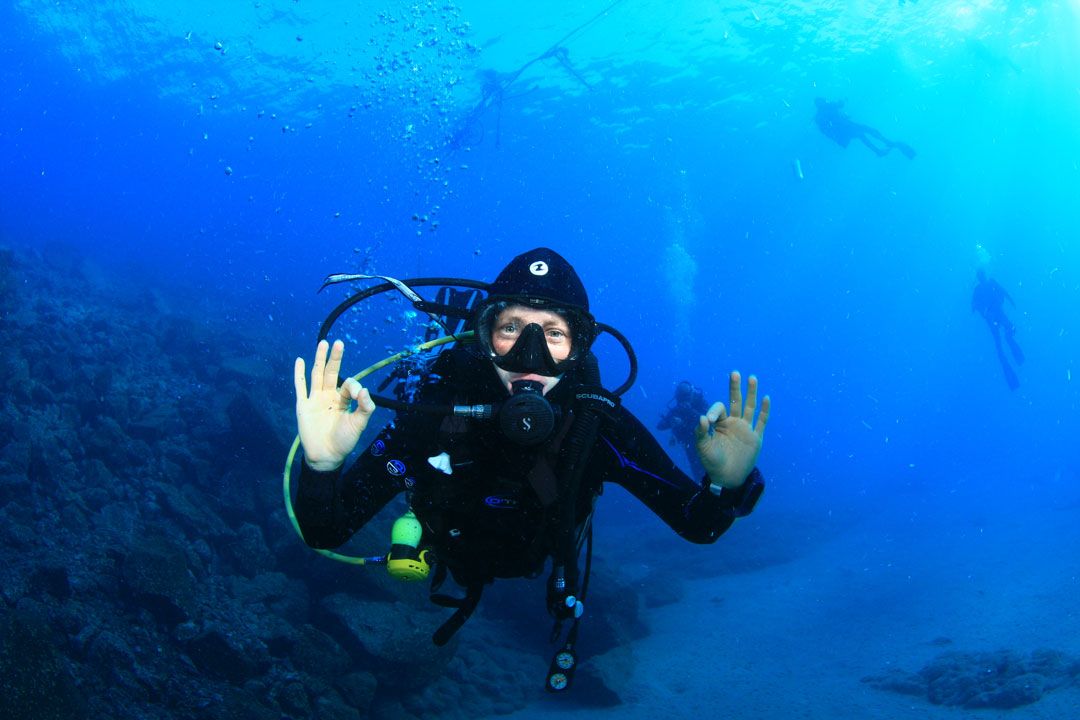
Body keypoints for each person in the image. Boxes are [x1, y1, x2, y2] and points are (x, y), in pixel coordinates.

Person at [291, 247, 770, 690]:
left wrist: (727, 485)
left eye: (554, 334)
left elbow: (699, 525)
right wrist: (322, 463)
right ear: (485, 336)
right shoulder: (434, 416)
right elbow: (325, 531)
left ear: (578, 348)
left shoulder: (596, 425)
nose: (531, 355)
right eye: (512, 328)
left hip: (537, 561)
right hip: (448, 555)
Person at [813, 97, 916, 159]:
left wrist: (838, 139)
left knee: (862, 133)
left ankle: (880, 149)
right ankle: (884, 144)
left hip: (843, 130)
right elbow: (840, 104)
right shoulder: (828, 107)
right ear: (821, 103)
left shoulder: (819, 116)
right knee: (864, 131)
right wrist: (841, 101)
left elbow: (826, 131)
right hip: (845, 128)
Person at [971, 269, 1024, 390]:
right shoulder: (984, 286)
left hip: (994, 315)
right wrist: (1011, 301)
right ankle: (1007, 354)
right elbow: (974, 305)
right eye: (981, 275)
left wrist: (1010, 301)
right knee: (1001, 340)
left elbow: (974, 306)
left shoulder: (983, 287)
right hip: (994, 316)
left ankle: (1008, 346)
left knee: (1003, 337)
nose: (982, 277)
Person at [657, 380, 709, 479]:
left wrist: (689, 412)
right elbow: (660, 426)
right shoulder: (678, 409)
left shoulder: (700, 403)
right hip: (690, 447)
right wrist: (671, 421)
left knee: (711, 471)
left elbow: (707, 420)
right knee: (699, 475)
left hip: (707, 443)